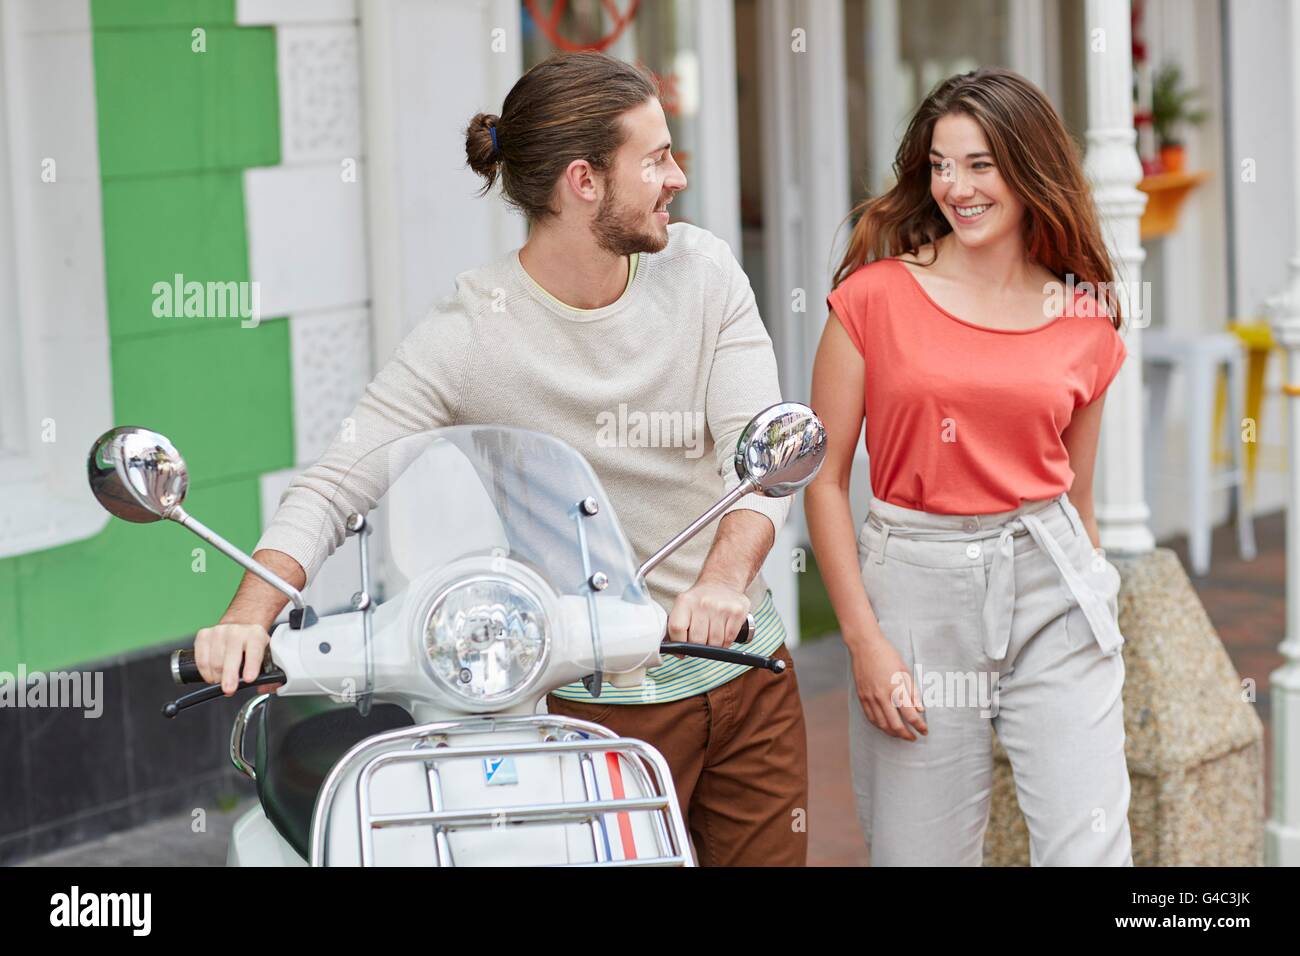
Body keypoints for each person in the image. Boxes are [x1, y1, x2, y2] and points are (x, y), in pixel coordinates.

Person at [191, 51, 808, 867]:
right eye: (656, 159)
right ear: (583, 181)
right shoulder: (471, 332)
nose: (677, 179)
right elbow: (343, 478)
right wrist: (248, 613)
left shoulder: (703, 272)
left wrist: (724, 582)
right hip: (599, 690)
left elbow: (761, 452)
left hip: (740, 660)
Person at [805, 67, 1133, 866]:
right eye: (941, 165)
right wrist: (865, 643)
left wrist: (1094, 595)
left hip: (1053, 581)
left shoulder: (1083, 319)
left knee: (1089, 850)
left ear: (1029, 168)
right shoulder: (874, 299)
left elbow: (1076, 496)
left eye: (980, 164)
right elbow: (821, 479)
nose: (957, 186)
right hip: (915, 590)